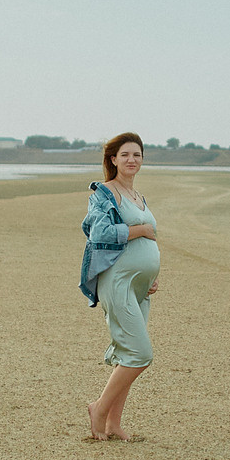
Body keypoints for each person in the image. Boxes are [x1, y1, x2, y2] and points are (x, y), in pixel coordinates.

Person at [79, 131, 161, 441]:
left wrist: (152, 276)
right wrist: (140, 229)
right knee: (141, 354)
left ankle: (114, 423)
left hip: (140, 286)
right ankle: (99, 408)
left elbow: (149, 241)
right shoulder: (104, 193)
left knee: (128, 354)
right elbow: (99, 232)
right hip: (117, 281)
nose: (131, 160)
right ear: (113, 159)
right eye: (125, 154)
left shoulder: (139, 196)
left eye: (137, 155)